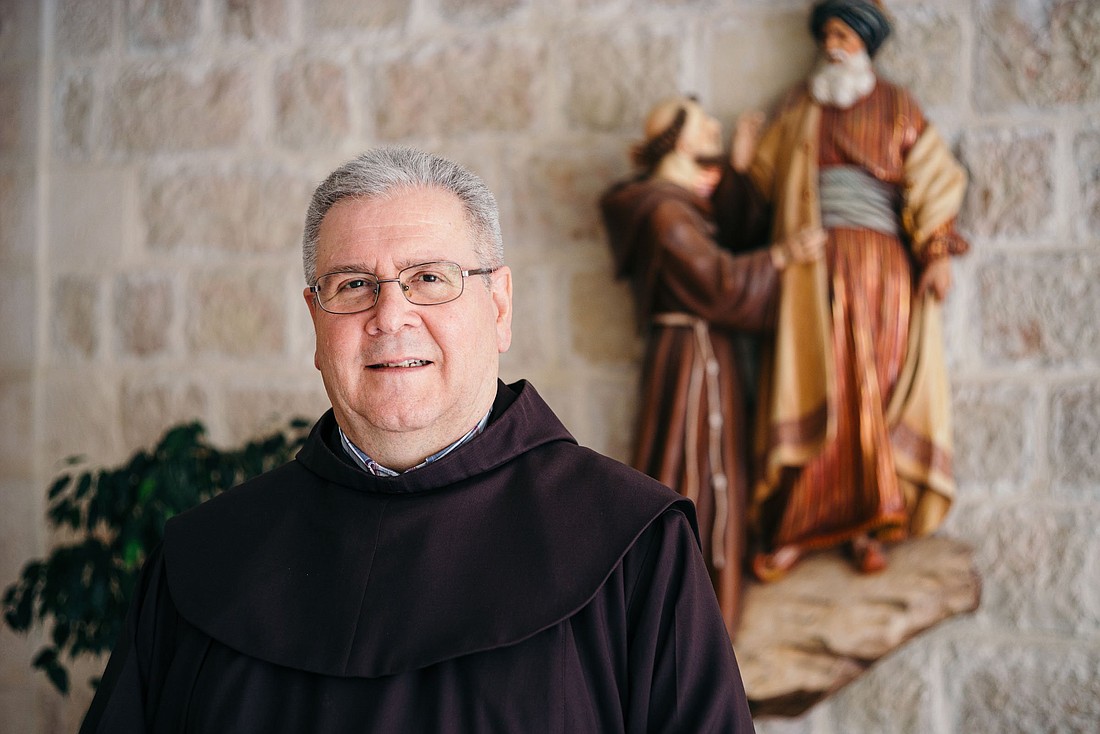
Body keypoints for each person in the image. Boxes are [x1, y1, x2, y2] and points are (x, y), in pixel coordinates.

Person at [79, 147, 755, 732]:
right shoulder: (201, 560)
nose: (390, 315)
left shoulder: (632, 543)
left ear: (498, 306)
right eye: (352, 285)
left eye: (430, 278)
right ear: (315, 320)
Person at [714, 0, 970, 581]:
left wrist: (935, 253)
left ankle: (867, 525)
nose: (834, 44)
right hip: (810, 272)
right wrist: (744, 165)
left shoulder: (897, 107)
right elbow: (758, 201)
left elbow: (934, 180)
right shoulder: (800, 106)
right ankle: (795, 529)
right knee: (812, 384)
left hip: (882, 271)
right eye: (827, 33)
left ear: (865, 43)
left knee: (871, 390)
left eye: (845, 34)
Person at [599, 96, 824, 637]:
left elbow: (731, 230)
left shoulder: (678, 200)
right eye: (702, 121)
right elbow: (715, 280)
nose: (714, 125)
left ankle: (701, 613)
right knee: (694, 468)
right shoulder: (661, 210)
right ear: (677, 138)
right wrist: (784, 257)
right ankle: (689, 618)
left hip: (701, 350)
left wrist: (740, 170)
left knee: (707, 466)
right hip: (692, 357)